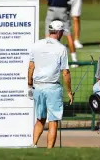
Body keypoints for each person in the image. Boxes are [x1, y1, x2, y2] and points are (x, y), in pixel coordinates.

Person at [28, 20, 74, 149]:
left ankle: (34, 144)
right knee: (53, 121)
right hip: (53, 86)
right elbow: (65, 73)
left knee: (40, 119)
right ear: (59, 32)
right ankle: (50, 151)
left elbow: (31, 66)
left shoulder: (36, 45)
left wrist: (29, 85)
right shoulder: (61, 48)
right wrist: (69, 92)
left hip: (37, 86)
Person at [45, 0, 78, 68]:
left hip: (51, 9)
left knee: (48, 34)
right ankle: (74, 60)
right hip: (63, 10)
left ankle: (47, 59)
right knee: (68, 34)